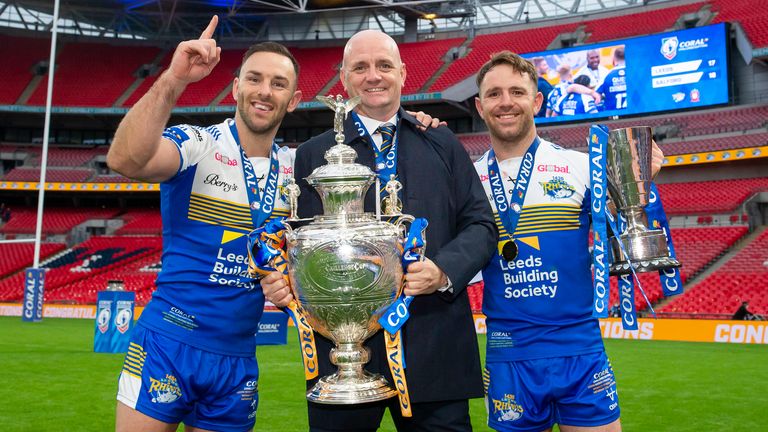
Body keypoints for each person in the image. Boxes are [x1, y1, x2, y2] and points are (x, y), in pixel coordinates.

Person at [262, 29, 497, 431]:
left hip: (434, 344)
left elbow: (481, 225)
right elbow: (293, 239)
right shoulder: (313, 154)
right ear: (344, 78)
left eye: (384, 65)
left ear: (403, 73)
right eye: (361, 67)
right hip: (341, 352)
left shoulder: (442, 142)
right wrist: (278, 277)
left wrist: (442, 270)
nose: (373, 76)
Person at [106, 16, 302, 431]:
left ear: (295, 99)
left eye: (278, 83)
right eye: (254, 78)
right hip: (168, 344)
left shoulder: (295, 170)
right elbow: (125, 160)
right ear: (236, 87)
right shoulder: (199, 143)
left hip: (238, 359)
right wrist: (175, 79)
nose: (265, 91)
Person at [473, 51, 664, 432]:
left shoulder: (581, 166)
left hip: (580, 348)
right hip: (509, 354)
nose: (506, 102)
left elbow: (622, 232)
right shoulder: (465, 181)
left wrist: (636, 187)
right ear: (480, 106)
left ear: (537, 101)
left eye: (517, 91)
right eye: (494, 94)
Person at [596, 47, 627, 112]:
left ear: (614, 59)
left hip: (612, 118)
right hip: (635, 116)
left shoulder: (606, 75)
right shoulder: (635, 73)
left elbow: (595, 96)